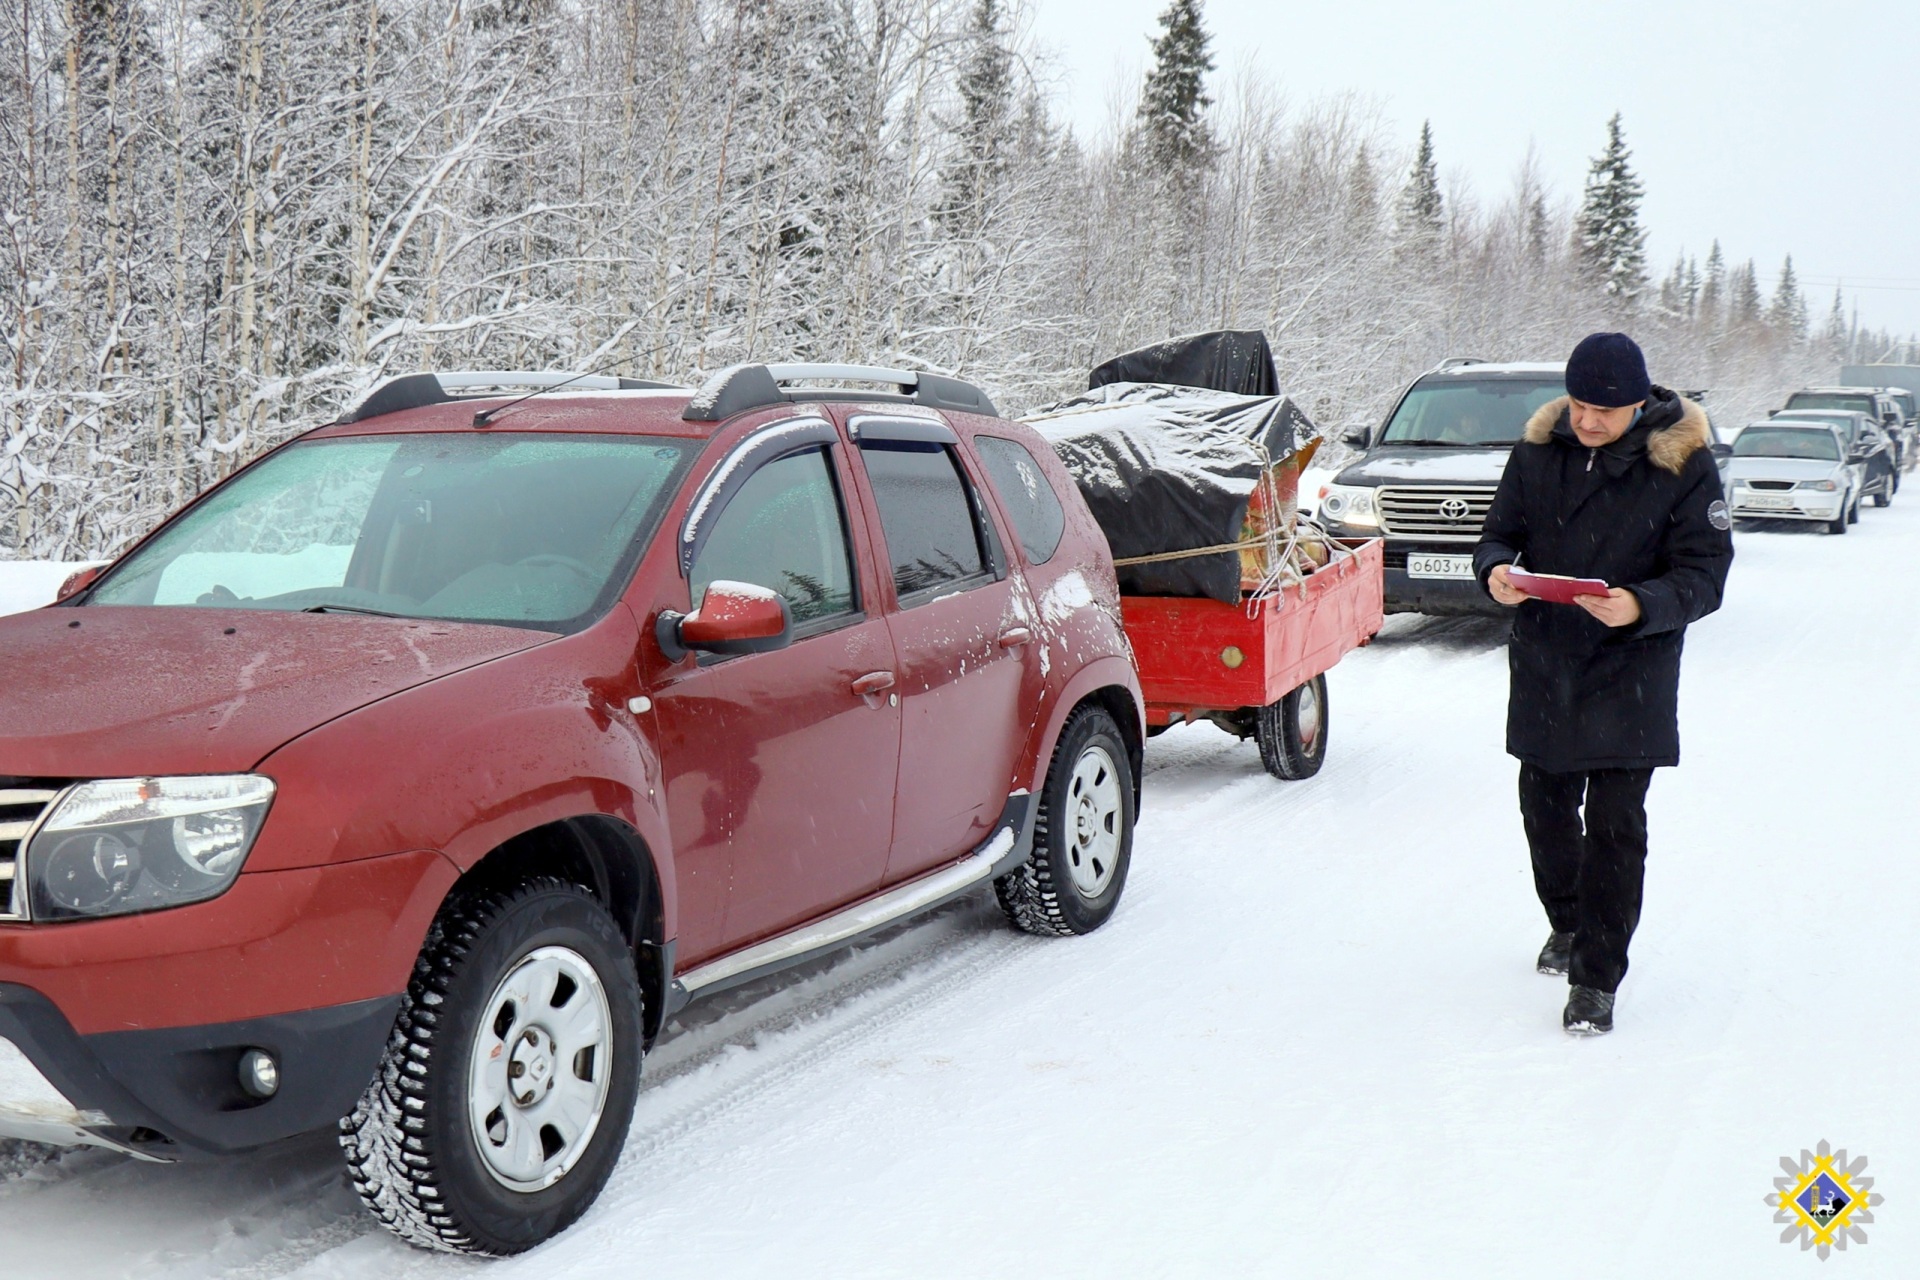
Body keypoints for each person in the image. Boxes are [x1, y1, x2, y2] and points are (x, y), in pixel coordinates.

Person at [1473, 332, 1734, 1036]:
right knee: (1545, 812)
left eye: (1605, 409)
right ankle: (1567, 922)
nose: (1588, 420)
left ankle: (1597, 978)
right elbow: (1499, 534)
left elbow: (1705, 575)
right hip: (1546, 659)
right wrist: (1496, 570)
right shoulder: (1536, 452)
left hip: (1631, 669)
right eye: (1580, 403)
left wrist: (1642, 604)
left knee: (1616, 828)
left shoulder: (1683, 465)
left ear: (1638, 403)